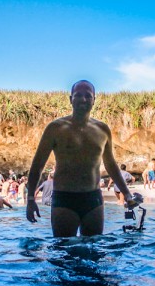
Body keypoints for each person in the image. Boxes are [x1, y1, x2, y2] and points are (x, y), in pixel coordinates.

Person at [26, 80, 137, 237]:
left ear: (94, 100)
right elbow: (37, 165)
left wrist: (127, 194)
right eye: (78, 95)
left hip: (93, 199)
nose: (83, 99)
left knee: (93, 251)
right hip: (64, 198)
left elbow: (111, 164)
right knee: (64, 253)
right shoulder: (55, 128)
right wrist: (30, 199)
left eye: (88, 95)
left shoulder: (102, 130)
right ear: (71, 99)